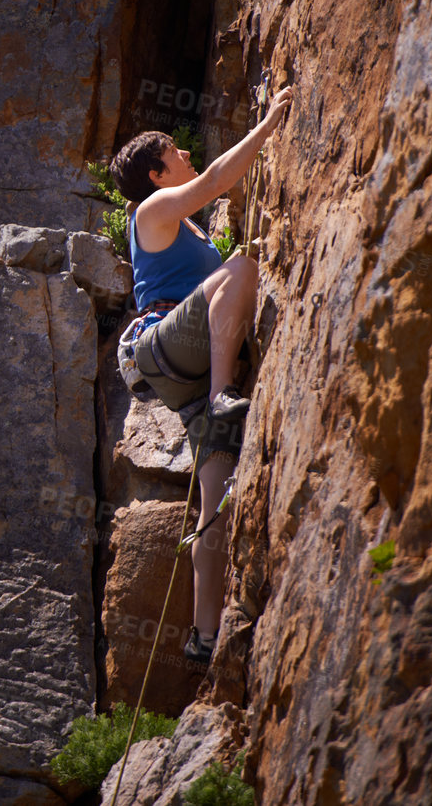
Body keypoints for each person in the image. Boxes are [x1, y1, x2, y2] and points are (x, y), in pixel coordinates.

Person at [107, 85, 293, 665]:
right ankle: (220, 396)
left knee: (214, 489)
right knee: (241, 265)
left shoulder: (185, 229)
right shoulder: (153, 210)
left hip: (177, 363)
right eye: (176, 154)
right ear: (158, 171)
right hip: (164, 345)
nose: (185, 156)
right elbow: (214, 180)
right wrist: (267, 128)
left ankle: (205, 634)